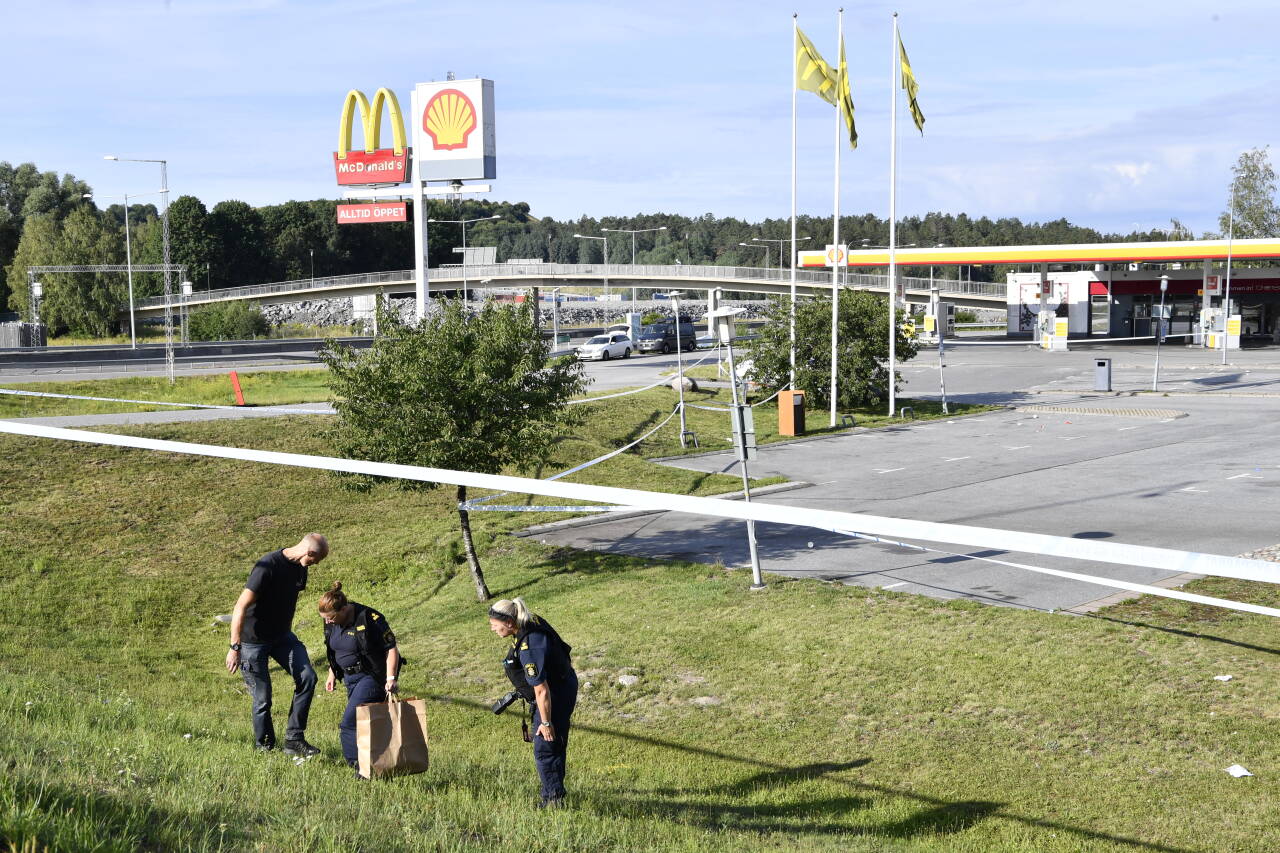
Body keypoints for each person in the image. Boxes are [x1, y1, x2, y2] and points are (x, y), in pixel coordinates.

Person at [225, 533, 327, 756]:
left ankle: (294, 740)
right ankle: (266, 748)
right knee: (263, 699)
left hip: (282, 637)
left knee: (308, 677)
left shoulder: (301, 566)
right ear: (308, 552)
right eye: (315, 560)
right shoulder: (267, 566)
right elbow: (240, 606)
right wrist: (235, 647)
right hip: (253, 642)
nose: (315, 565)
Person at [488, 598, 578, 809]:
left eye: (494, 624)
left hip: (554, 693)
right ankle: (554, 792)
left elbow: (541, 689)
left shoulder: (530, 645)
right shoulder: (529, 621)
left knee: (545, 747)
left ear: (509, 622)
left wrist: (545, 723)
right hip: (560, 684)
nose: (492, 628)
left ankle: (553, 801)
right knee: (552, 744)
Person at [318, 581, 402, 778]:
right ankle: (379, 765)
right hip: (350, 678)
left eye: (331, 618)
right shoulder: (331, 622)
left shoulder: (370, 617)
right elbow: (336, 649)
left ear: (344, 609)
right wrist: (332, 673)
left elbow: (391, 648)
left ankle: (360, 768)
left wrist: (391, 678)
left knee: (350, 722)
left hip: (372, 676)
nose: (328, 622)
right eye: (325, 619)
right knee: (366, 723)